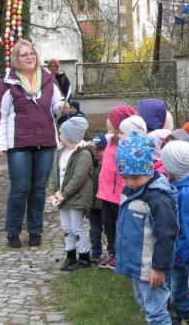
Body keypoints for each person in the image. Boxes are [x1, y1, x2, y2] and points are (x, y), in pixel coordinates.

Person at [0, 39, 64, 248]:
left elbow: (55, 104)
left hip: (46, 141)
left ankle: (35, 231)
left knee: (39, 189)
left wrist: (63, 107)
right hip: (19, 143)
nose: (30, 57)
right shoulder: (9, 83)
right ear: (16, 59)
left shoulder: (48, 78)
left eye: (32, 53)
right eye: (25, 55)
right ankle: (13, 231)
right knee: (21, 188)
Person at [115, 132, 179, 325]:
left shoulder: (157, 198)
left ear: (148, 169)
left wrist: (159, 268)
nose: (130, 182)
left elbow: (167, 235)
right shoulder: (131, 191)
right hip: (138, 265)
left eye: (135, 177)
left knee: (156, 312)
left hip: (150, 268)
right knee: (145, 303)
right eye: (125, 177)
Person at [161, 141, 189, 325]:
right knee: (174, 290)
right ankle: (179, 318)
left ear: (173, 166)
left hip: (184, 256)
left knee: (178, 296)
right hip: (179, 252)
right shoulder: (183, 184)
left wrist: (179, 258)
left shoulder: (186, 194)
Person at [47, 117, 94, 270]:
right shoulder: (61, 152)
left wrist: (63, 194)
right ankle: (70, 255)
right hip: (62, 197)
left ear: (70, 135)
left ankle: (84, 256)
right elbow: (54, 174)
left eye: (61, 133)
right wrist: (52, 192)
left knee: (76, 227)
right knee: (66, 227)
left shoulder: (83, 154)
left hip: (76, 196)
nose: (59, 136)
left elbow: (78, 178)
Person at [96, 104, 138, 269]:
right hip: (106, 193)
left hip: (117, 194)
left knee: (118, 225)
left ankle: (120, 254)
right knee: (108, 225)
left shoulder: (123, 143)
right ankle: (112, 252)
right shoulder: (110, 141)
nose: (107, 122)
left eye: (111, 120)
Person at [87, 134, 110, 262]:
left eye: (100, 149)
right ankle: (96, 252)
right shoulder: (91, 165)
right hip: (93, 205)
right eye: (94, 149)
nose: (97, 153)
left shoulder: (109, 165)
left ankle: (112, 252)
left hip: (106, 204)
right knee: (95, 230)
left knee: (109, 230)